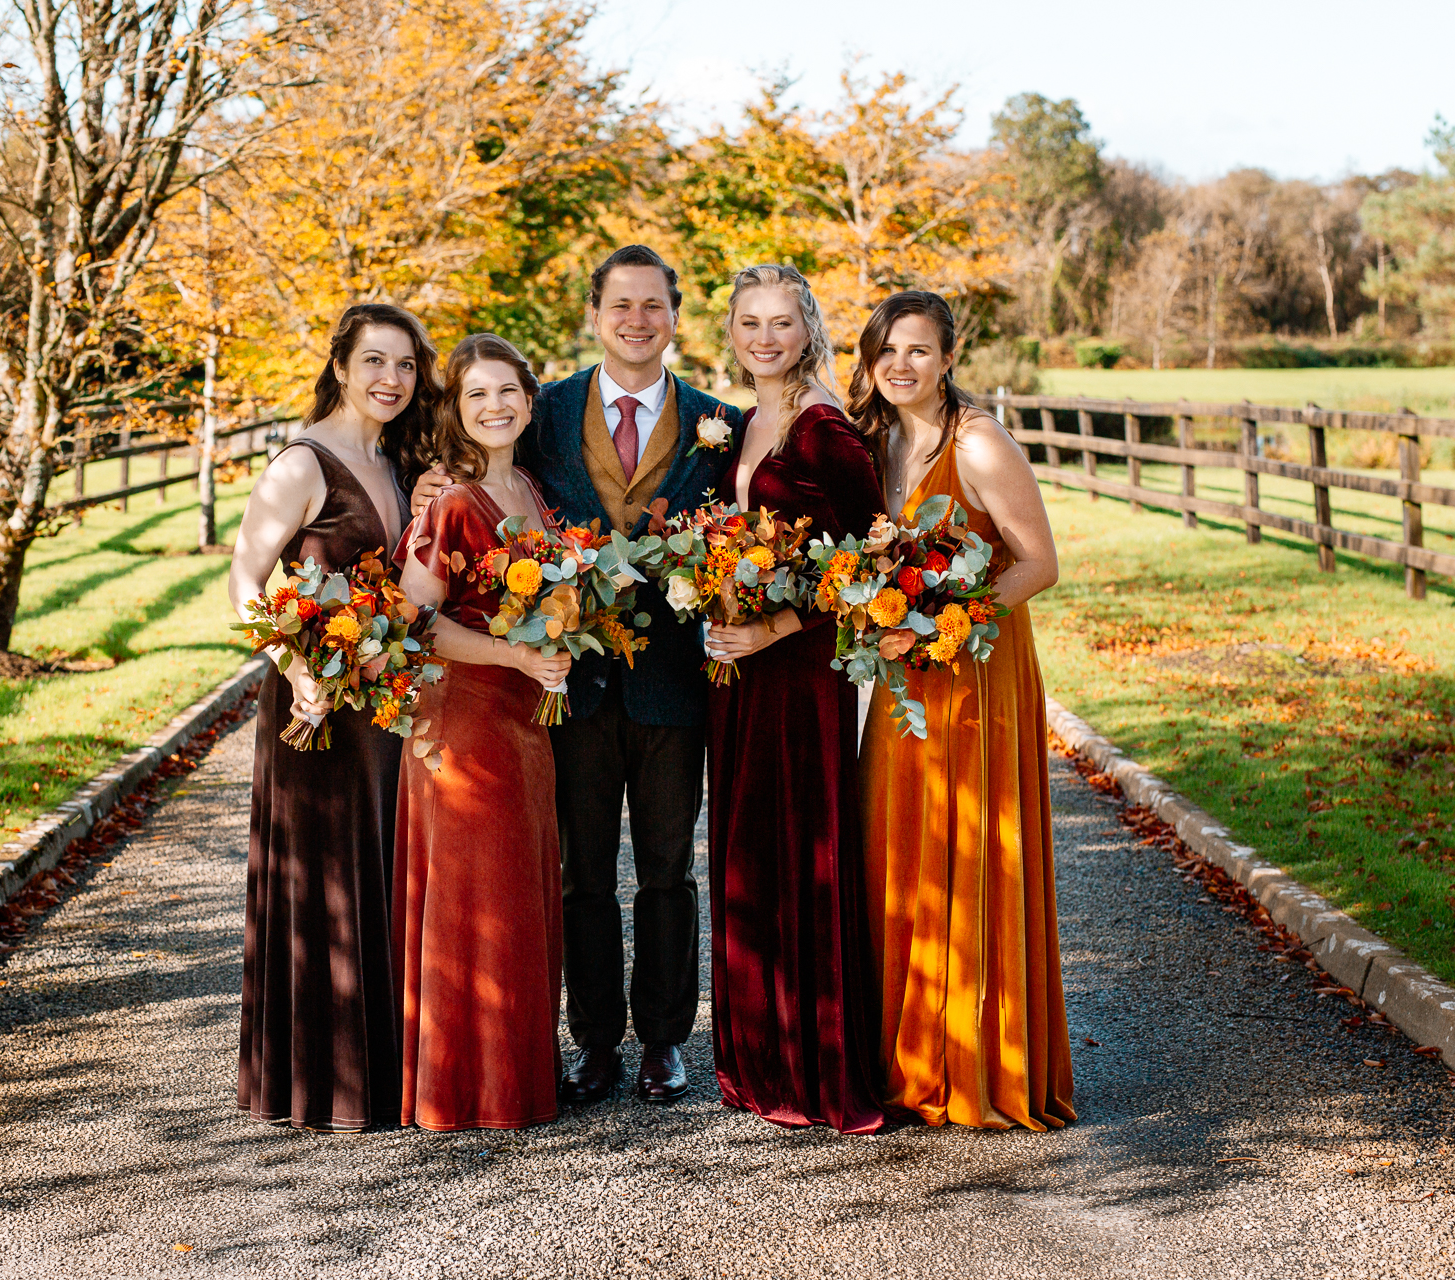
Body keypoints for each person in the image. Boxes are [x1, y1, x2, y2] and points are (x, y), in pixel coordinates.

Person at [410, 247, 745, 1105]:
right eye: (620, 305)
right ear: (595, 314)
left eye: (654, 306)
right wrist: (429, 487)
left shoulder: (721, 423)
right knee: (582, 874)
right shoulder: (542, 411)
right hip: (568, 689)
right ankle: (594, 1040)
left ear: (676, 315)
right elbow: (472, 473)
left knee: (669, 870)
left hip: (674, 682)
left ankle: (667, 1040)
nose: (638, 321)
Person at [849, 290, 1075, 1131]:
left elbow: (1039, 563)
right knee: (901, 845)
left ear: (948, 357)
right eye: (886, 352)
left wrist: (947, 624)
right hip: (909, 682)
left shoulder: (977, 443)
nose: (901, 365)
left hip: (975, 672)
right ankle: (908, 1056)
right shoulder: (878, 444)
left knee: (968, 848)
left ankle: (975, 1062)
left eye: (918, 350)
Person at [228, 302, 438, 1130]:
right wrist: (297, 666)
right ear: (342, 366)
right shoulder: (303, 462)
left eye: (407, 366)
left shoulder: (392, 462)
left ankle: (384, 1073)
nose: (392, 379)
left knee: (379, 870)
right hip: (315, 703)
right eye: (376, 362)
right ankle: (321, 1081)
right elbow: (244, 586)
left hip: (381, 703)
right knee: (326, 879)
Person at [702, 265, 886, 1134]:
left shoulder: (825, 430)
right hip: (736, 669)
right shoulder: (742, 422)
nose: (764, 337)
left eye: (781, 322)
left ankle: (815, 1065)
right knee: (746, 851)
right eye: (749, 323)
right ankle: (756, 1056)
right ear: (732, 331)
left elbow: (864, 559)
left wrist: (770, 630)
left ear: (808, 327)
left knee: (799, 848)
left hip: (795, 666)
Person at [392, 333, 573, 1131]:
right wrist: (515, 654)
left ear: (530, 402)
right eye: (476, 396)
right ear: (457, 414)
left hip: (525, 714)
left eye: (507, 392)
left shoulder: (531, 489)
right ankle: (471, 1086)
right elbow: (414, 622)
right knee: (482, 893)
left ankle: (517, 1070)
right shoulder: (454, 503)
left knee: (520, 888)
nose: (495, 406)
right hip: (464, 717)